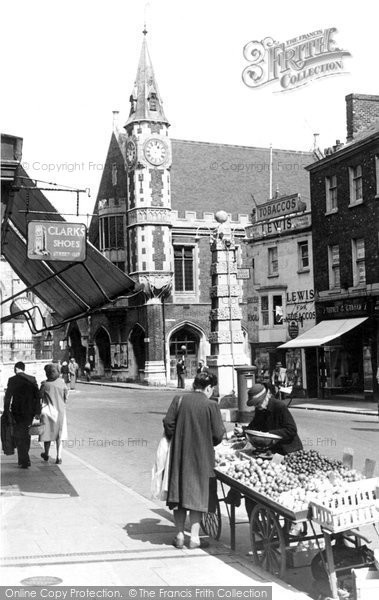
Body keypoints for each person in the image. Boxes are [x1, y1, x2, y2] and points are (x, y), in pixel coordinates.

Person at [163, 372, 225, 549]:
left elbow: (168, 423)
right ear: (208, 388)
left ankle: (180, 535)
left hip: (180, 456)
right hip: (202, 457)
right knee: (199, 495)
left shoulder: (179, 400)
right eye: (212, 389)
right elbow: (218, 434)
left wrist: (178, 438)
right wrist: (208, 441)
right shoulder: (211, 405)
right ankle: (195, 538)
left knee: (180, 494)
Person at [235, 382, 303, 519]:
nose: (257, 406)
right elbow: (255, 426)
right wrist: (243, 431)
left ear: (267, 397)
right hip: (273, 453)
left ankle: (291, 524)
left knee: (285, 490)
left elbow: (291, 430)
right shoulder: (261, 410)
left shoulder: (279, 406)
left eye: (259, 403)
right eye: (255, 404)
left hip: (288, 452)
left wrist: (270, 434)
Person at [3, 361, 40, 468]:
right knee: (26, 434)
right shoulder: (32, 379)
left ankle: (23, 459)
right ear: (24, 368)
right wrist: (37, 412)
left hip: (17, 412)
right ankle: (24, 457)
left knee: (19, 435)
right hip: (29, 412)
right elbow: (37, 397)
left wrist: (6, 411)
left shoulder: (12, 380)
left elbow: (8, 397)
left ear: (16, 369)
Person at [39, 363, 68, 464]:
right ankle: (59, 456)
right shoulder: (62, 383)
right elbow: (66, 397)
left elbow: (40, 396)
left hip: (48, 412)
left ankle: (46, 453)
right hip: (60, 412)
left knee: (48, 433)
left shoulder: (45, 384)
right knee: (59, 435)